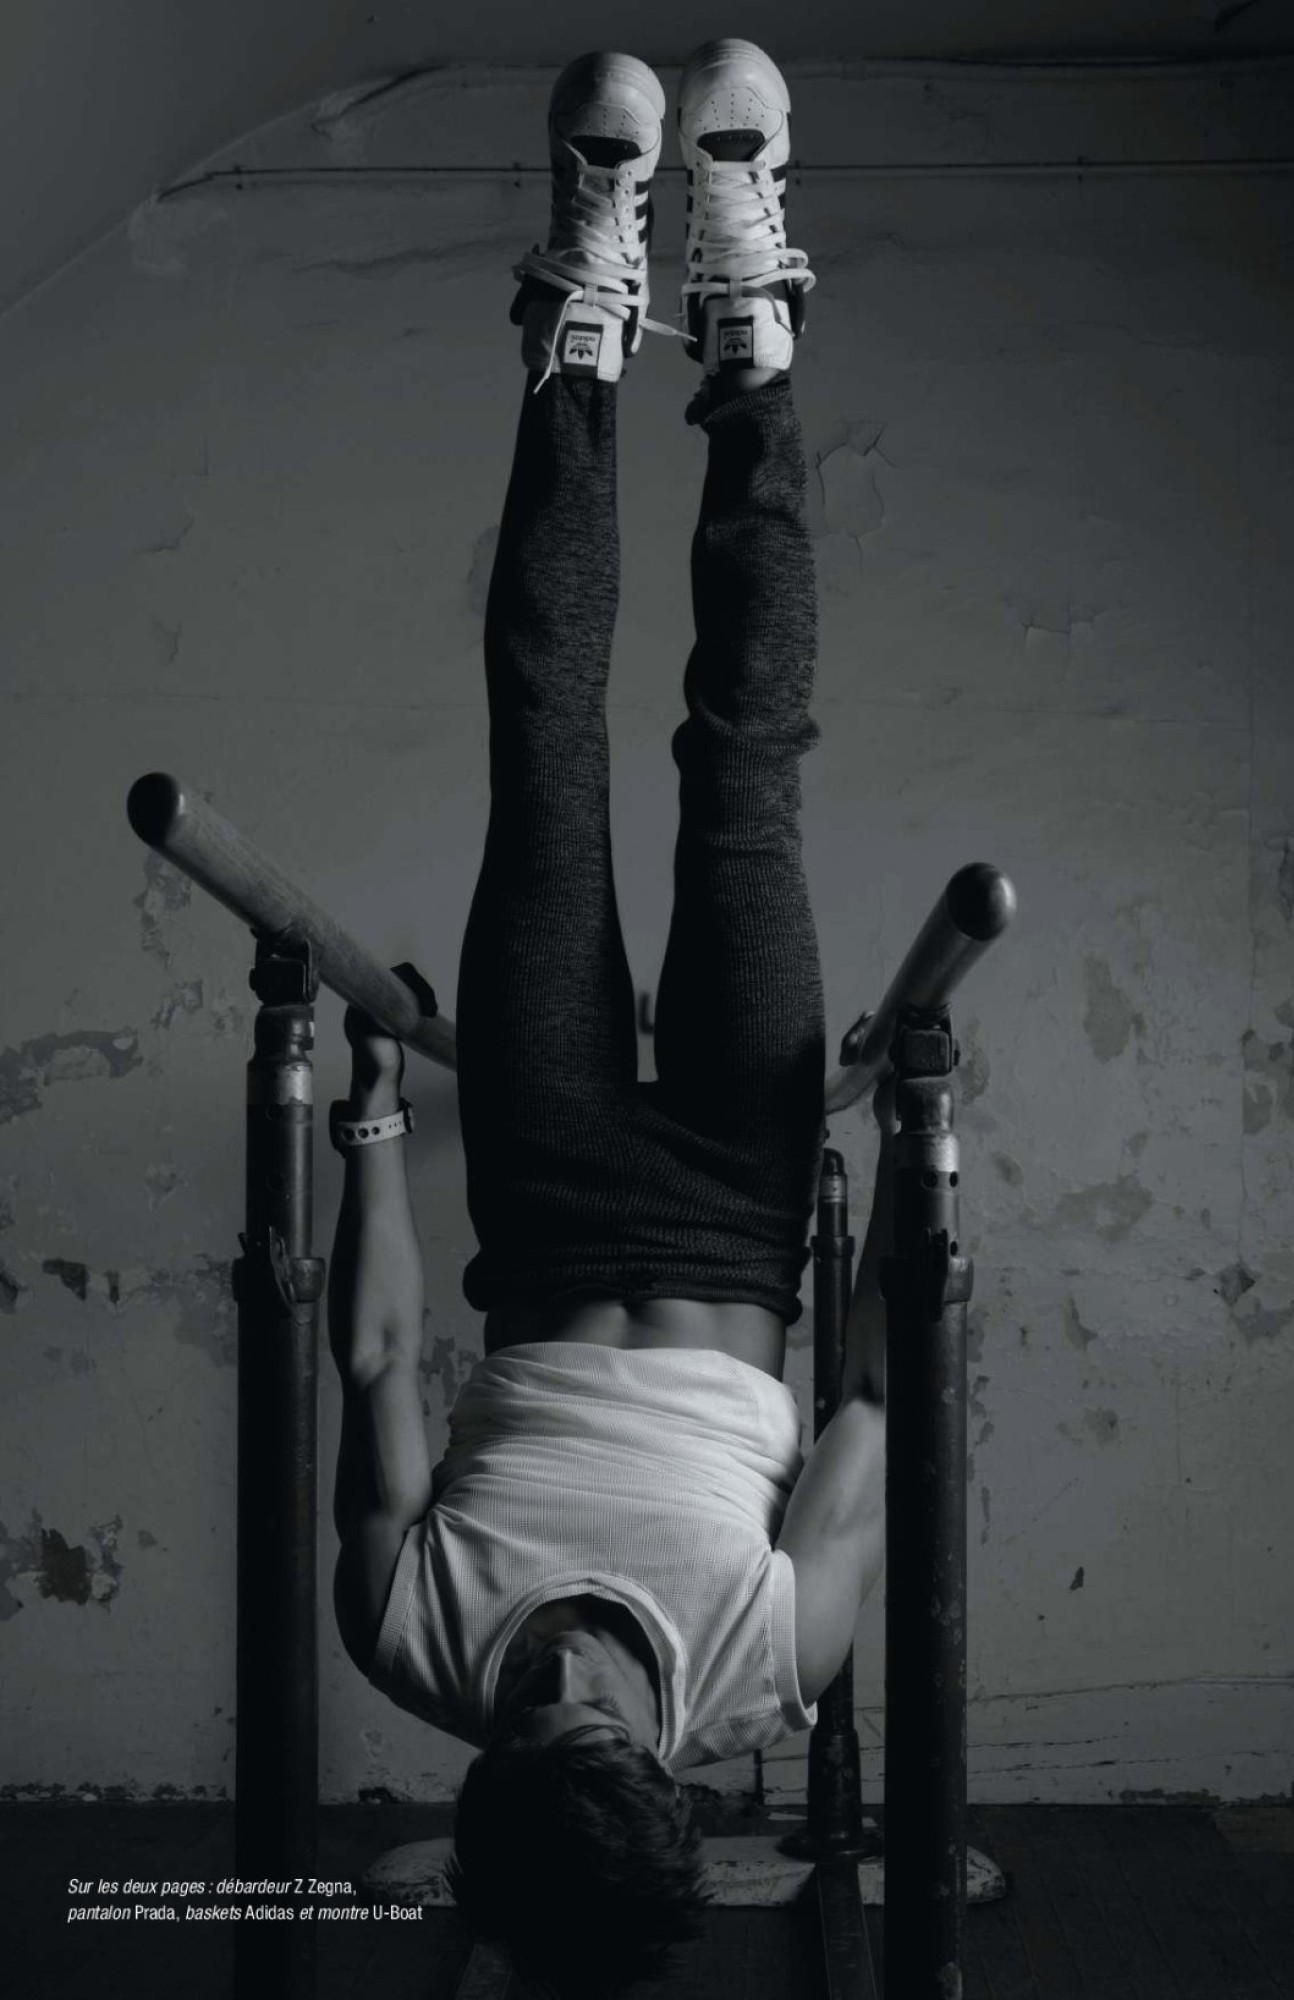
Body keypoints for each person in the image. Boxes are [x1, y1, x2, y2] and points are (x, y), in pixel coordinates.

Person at [324, 39, 894, 1998]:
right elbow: (871, 1405)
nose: (569, 1676)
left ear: (483, 1759)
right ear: (666, 1773)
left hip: (550, 1191)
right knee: (744, 764)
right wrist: (918, 1158)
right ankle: (746, 333)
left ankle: (579, 322)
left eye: (535, 1714)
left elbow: (378, 1354)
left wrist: (372, 1118)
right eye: (603, 1723)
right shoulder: (771, 1660)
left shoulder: (411, 1637)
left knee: (544, 753)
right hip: (740, 1199)